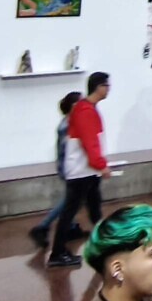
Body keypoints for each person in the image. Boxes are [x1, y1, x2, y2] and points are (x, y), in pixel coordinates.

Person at [47, 72, 112, 269]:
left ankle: (102, 244)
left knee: (94, 208)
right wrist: (101, 165)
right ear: (98, 87)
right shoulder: (85, 111)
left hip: (87, 171)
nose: (109, 89)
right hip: (81, 172)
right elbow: (90, 142)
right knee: (70, 212)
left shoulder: (87, 108)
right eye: (107, 85)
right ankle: (57, 253)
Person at [29, 90, 87, 251]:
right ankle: (42, 227)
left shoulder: (70, 122)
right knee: (70, 200)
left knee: (76, 199)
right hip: (71, 168)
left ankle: (71, 227)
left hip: (72, 167)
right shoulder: (68, 126)